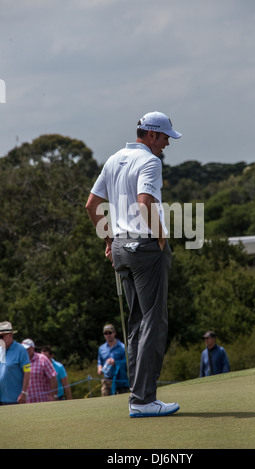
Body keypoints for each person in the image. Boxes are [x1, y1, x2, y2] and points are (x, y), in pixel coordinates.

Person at [86, 111, 181, 417]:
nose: (167, 143)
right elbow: (144, 202)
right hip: (144, 247)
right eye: (165, 137)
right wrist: (161, 236)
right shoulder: (150, 162)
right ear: (151, 134)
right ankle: (144, 400)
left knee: (137, 324)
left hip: (121, 248)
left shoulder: (114, 159)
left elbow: (91, 205)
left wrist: (108, 240)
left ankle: (138, 398)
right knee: (154, 322)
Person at [0, 321, 31, 405]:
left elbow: (27, 372)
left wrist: (24, 393)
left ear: (10, 335)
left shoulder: (21, 350)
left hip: (15, 399)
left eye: (1, 336)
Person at [97, 323, 129, 396]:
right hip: (107, 380)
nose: (108, 335)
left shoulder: (122, 347)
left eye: (110, 333)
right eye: (106, 333)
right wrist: (99, 368)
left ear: (114, 333)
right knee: (105, 402)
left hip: (120, 380)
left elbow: (128, 362)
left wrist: (115, 363)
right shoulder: (101, 349)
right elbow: (99, 362)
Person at [22, 338, 57, 403]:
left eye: (27, 349)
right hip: (26, 401)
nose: (25, 350)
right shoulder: (21, 360)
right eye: (23, 349)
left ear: (32, 348)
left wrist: (53, 395)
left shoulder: (42, 359)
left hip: (42, 400)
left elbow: (53, 377)